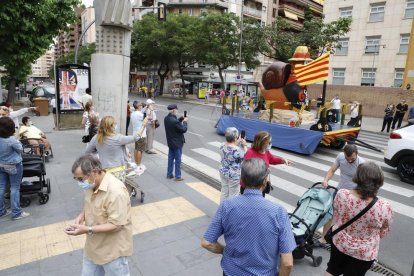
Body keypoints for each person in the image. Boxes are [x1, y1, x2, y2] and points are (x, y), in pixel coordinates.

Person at [201, 158, 296, 276]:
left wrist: (224, 251)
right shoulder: (278, 212)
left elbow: (207, 243)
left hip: (231, 272)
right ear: (265, 181)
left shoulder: (227, 206)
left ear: (242, 180)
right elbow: (287, 263)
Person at [66, 155, 132, 275]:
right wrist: (81, 216)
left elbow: (117, 225)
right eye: (76, 179)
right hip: (92, 249)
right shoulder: (92, 183)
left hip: (113, 253)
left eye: (81, 179)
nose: (80, 183)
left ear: (95, 172)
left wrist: (87, 229)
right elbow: (89, 203)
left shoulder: (116, 192)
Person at [325, 162, 393, 276]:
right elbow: (384, 230)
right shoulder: (384, 207)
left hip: (340, 242)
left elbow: (336, 213)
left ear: (357, 177)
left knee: (332, 270)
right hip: (364, 252)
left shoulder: (342, 194)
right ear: (379, 181)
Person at [320, 144, 365, 244]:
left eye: (352, 159)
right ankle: (324, 238)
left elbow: (364, 183)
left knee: (346, 218)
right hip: (339, 190)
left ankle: (344, 241)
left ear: (357, 154)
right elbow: (332, 170)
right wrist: (326, 180)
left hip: (353, 194)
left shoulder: (361, 163)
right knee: (329, 214)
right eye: (347, 158)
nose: (349, 161)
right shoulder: (340, 156)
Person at [85, 116, 141, 184]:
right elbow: (136, 137)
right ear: (111, 126)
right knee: (117, 192)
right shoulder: (118, 138)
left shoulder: (96, 138)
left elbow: (87, 152)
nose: (116, 126)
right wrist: (143, 124)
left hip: (104, 172)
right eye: (115, 124)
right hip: (118, 172)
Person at [243, 131, 293, 196]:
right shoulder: (250, 153)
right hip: (250, 188)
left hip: (261, 187)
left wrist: (283, 160)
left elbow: (272, 159)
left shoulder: (266, 152)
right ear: (262, 143)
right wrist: (265, 170)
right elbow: (246, 171)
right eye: (269, 142)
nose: (270, 144)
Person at [0, 117, 30, 220]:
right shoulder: (11, 140)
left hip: (1, 165)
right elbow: (20, 148)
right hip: (13, 165)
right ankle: (16, 212)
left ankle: (1, 211)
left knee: (1, 187)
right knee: (15, 188)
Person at [219, 127, 247, 202]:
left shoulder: (221, 145)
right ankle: (230, 212)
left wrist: (237, 141)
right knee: (233, 195)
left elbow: (230, 148)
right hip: (234, 175)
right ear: (235, 137)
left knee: (224, 192)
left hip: (223, 171)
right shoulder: (238, 150)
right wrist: (244, 145)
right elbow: (246, 156)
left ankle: (222, 210)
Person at [164, 104, 188, 181]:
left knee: (170, 158)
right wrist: (185, 122)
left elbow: (175, 124)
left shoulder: (166, 118)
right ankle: (178, 176)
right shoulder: (174, 121)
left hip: (170, 142)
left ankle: (169, 174)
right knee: (178, 160)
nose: (177, 111)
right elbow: (183, 129)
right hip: (177, 143)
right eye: (176, 110)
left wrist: (181, 118)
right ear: (174, 110)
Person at [130, 101, 147, 170]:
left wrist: (145, 108)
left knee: (136, 148)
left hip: (135, 133)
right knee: (140, 150)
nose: (141, 106)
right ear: (138, 106)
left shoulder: (133, 113)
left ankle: (136, 163)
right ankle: (138, 164)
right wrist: (150, 110)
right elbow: (148, 118)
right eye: (140, 105)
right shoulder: (140, 115)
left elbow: (141, 112)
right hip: (141, 134)